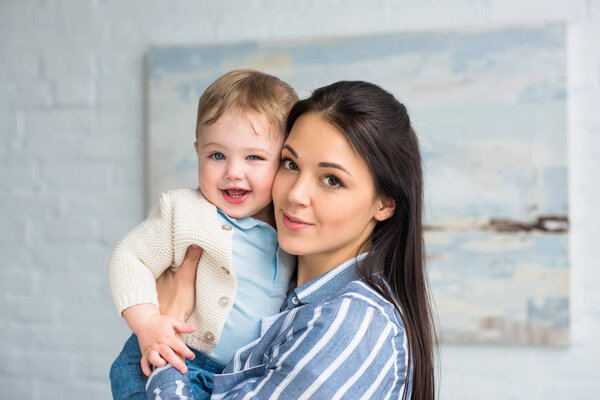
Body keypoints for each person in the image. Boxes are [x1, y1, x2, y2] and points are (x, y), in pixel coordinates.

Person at [147, 80, 437, 400]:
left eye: (332, 180)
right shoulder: (278, 292)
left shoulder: (351, 322)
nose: (296, 194)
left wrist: (167, 335)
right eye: (290, 163)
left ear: (384, 203)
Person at [108, 69, 299, 400]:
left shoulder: (290, 227)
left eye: (254, 157)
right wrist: (148, 323)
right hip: (165, 358)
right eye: (217, 155)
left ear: (283, 161)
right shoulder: (183, 211)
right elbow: (128, 257)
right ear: (198, 151)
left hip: (235, 376)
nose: (232, 172)